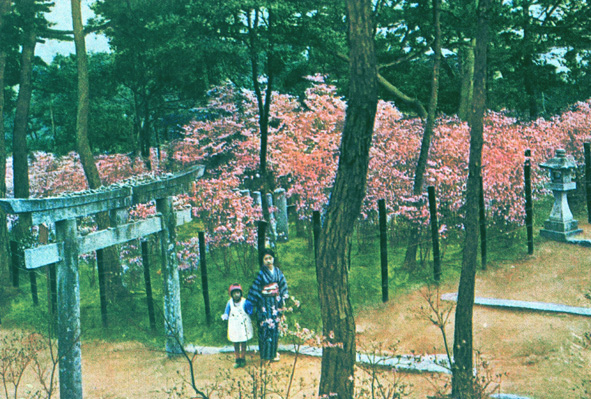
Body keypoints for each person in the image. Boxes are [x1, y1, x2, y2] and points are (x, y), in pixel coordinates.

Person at [246, 248, 289, 362]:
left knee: (275, 327)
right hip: (264, 304)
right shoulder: (260, 274)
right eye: (266, 259)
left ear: (273, 259)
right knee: (265, 328)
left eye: (270, 258)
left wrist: (283, 297)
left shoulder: (278, 272)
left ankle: (273, 353)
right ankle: (265, 355)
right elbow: (255, 288)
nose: (268, 261)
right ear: (263, 261)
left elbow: (283, 286)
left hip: (275, 303)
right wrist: (251, 302)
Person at [221, 283, 254, 368]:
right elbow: (227, 311)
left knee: (243, 341)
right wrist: (225, 315)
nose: (236, 295)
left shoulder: (244, 302)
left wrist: (251, 310)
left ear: (241, 293)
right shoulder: (230, 303)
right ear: (231, 294)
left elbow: (250, 310)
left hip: (243, 325)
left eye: (238, 293)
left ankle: (243, 358)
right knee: (235, 342)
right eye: (234, 293)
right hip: (234, 325)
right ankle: (237, 358)